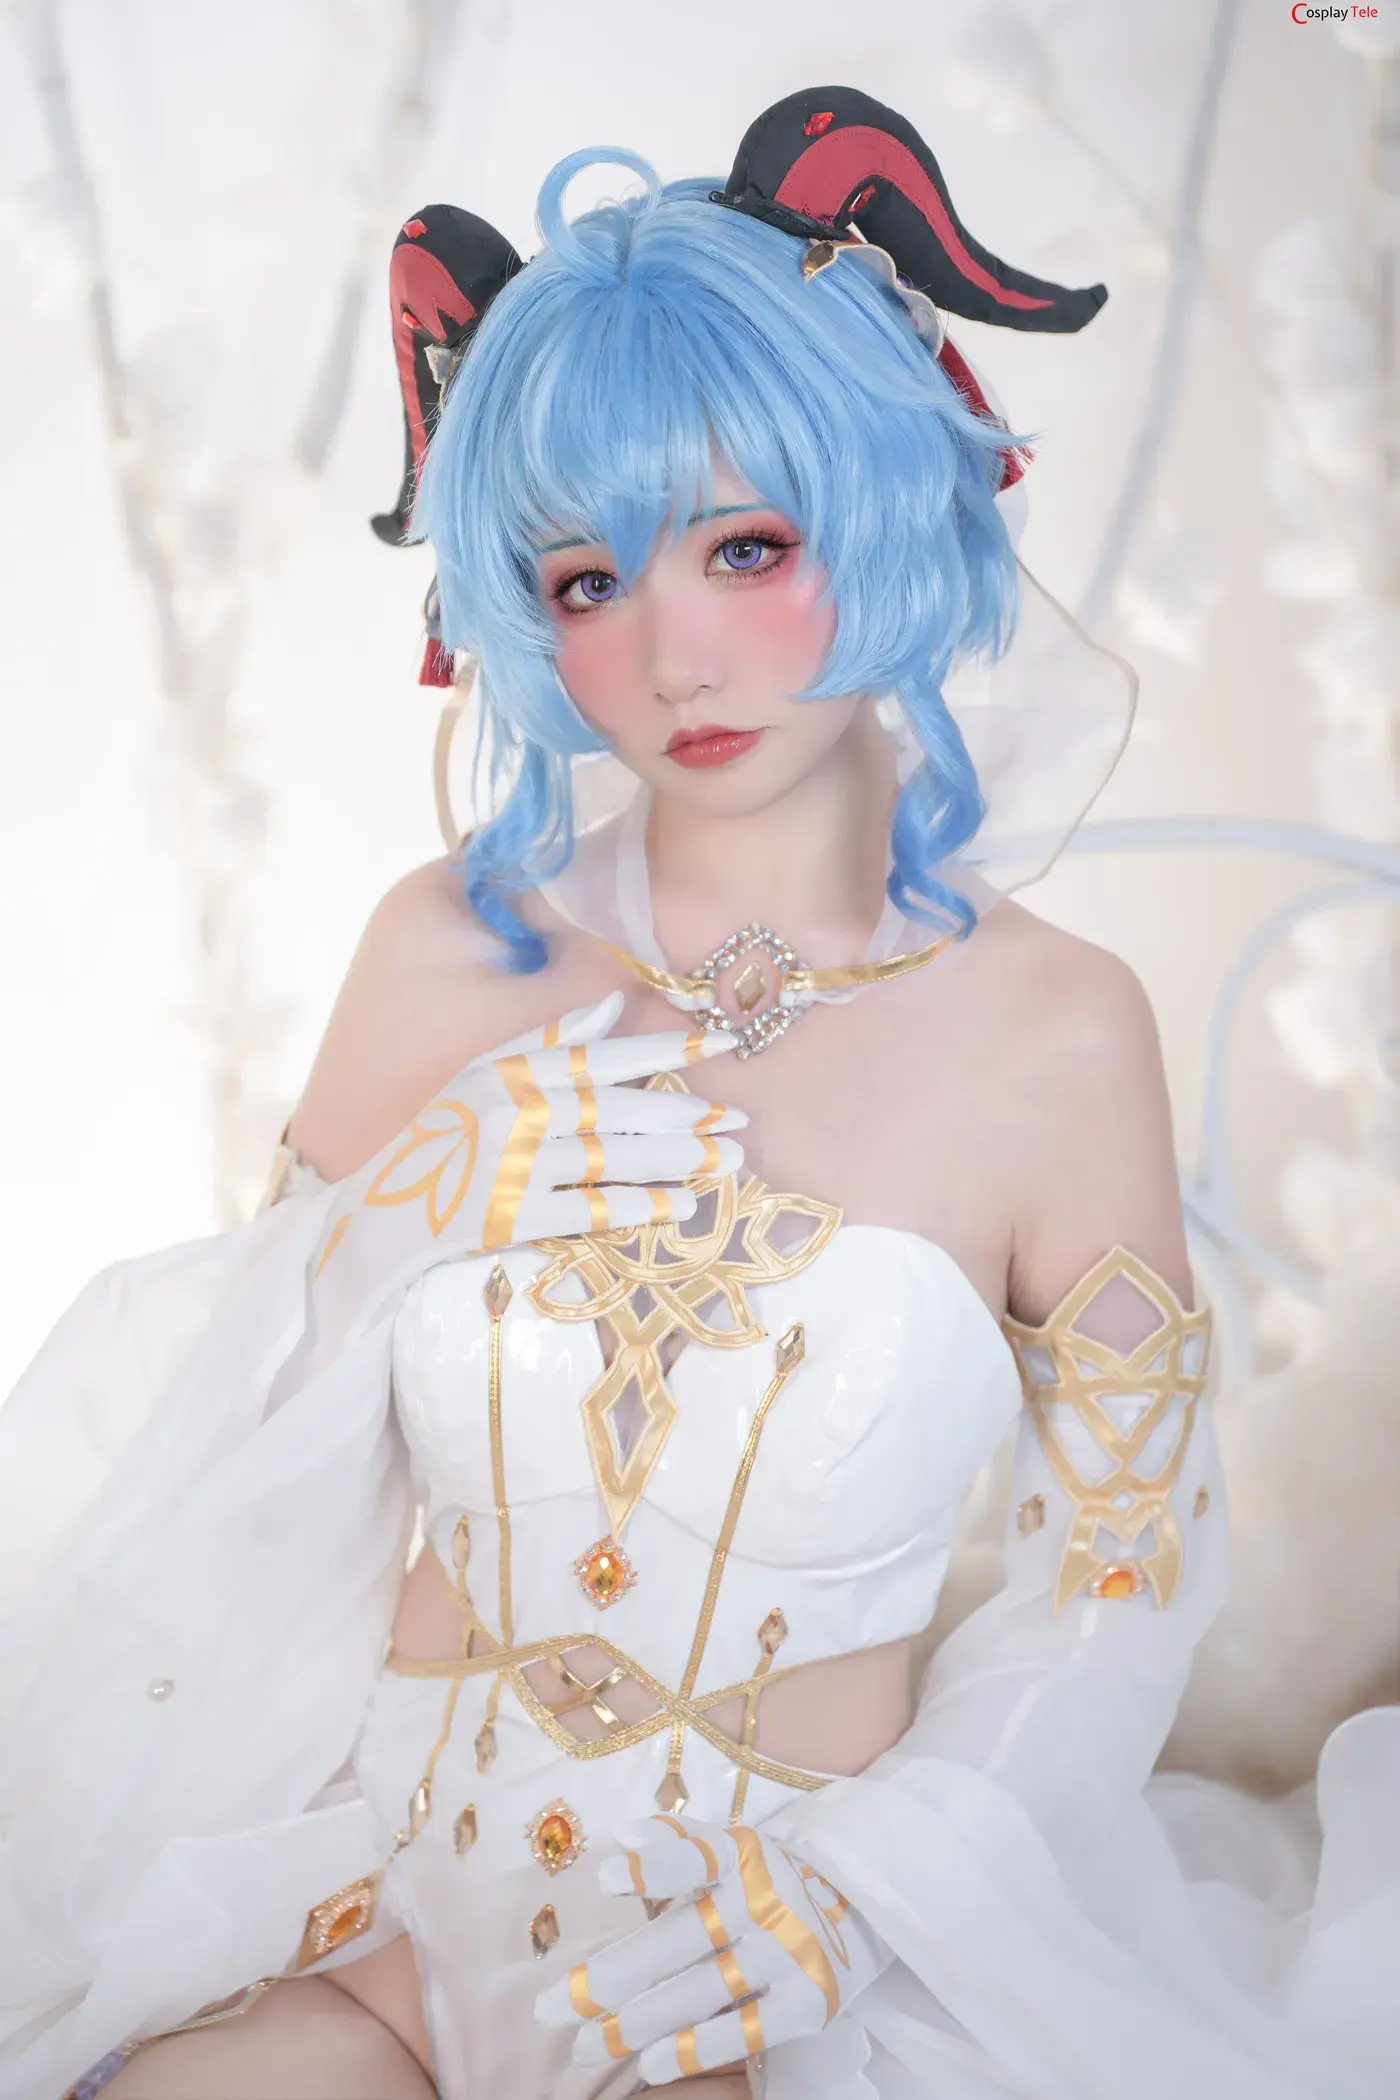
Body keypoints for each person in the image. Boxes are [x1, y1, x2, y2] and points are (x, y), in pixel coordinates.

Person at [1, 86, 1394, 2100]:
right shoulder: (445, 954)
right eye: (586, 582)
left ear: (890, 505)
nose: (674, 658)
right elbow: (228, 1480)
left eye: (748, 547)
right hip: (376, 1927)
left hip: (772, 1970)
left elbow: (1121, 1579)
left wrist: (864, 1901)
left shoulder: (1058, 1029)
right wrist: (412, 1205)